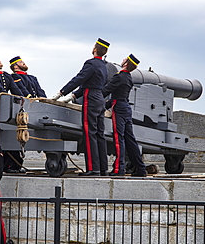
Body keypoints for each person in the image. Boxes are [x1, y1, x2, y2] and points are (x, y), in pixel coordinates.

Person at [51, 38, 110, 176]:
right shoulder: (104, 66)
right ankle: (103, 169)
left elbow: (78, 79)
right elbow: (92, 83)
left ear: (95, 49)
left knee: (90, 134)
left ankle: (92, 169)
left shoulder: (90, 63)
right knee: (99, 134)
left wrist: (61, 92)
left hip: (90, 98)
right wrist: (72, 96)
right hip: (100, 99)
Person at [102, 54, 147, 177]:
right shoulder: (129, 78)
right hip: (126, 108)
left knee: (118, 139)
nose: (122, 60)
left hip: (119, 108)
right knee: (130, 140)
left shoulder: (119, 77)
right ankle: (141, 169)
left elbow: (106, 91)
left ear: (126, 64)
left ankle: (119, 169)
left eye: (124, 60)